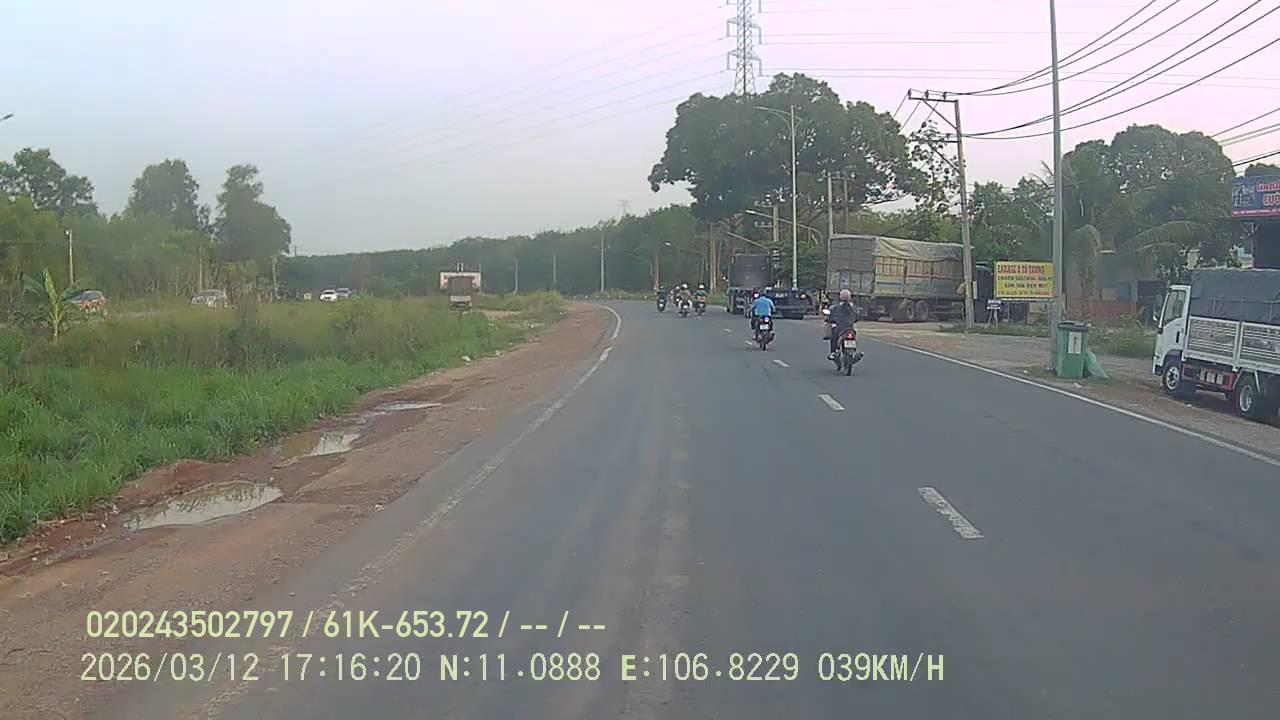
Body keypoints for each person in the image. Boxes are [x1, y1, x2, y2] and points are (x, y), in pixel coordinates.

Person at [827, 288, 858, 359]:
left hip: (840, 328)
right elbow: (857, 317)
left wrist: (829, 320)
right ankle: (854, 351)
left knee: (834, 337)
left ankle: (833, 352)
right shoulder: (853, 307)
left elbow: (831, 317)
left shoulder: (836, 307)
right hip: (850, 328)